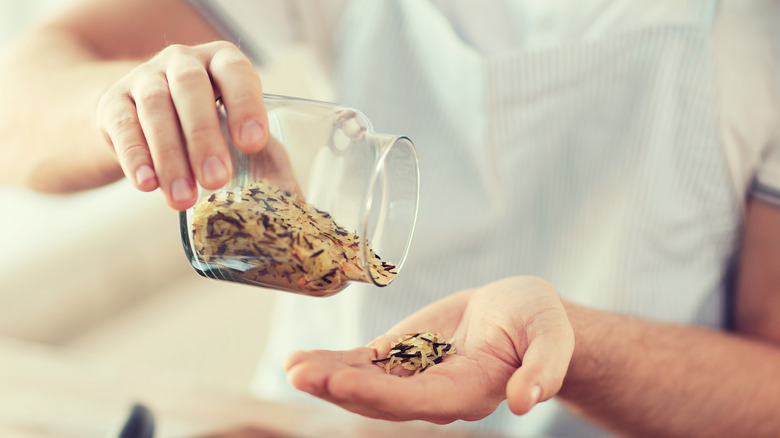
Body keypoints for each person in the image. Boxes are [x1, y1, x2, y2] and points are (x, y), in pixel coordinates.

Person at [1, 0, 779, 436]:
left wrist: (575, 346)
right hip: (316, 423)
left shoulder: (758, 38)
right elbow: (20, 99)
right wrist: (129, 110)